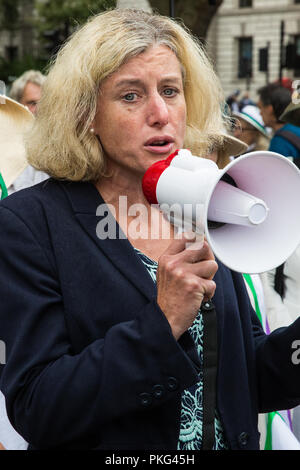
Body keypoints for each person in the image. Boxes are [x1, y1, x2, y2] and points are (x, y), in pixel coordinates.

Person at [0, 9, 299, 451]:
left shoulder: (203, 202)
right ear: (86, 115)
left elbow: (247, 372)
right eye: (131, 96)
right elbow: (38, 405)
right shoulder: (30, 224)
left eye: (171, 91)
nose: (161, 113)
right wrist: (162, 322)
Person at [8, 70, 48, 194]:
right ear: (16, 105)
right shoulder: (5, 148)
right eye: (33, 103)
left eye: (44, 103)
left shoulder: (59, 149)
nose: (39, 109)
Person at [257, 83, 300, 163]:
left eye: (260, 107)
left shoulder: (279, 142)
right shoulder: (296, 128)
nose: (260, 113)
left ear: (270, 109)